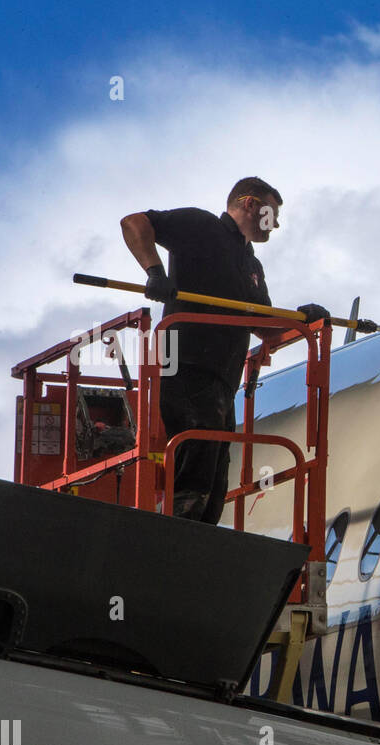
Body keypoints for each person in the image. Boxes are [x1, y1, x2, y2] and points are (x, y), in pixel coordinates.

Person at [119, 177, 329, 523]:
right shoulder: (202, 227)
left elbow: (263, 324)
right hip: (183, 362)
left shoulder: (251, 267)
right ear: (249, 203)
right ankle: (173, 536)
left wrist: (301, 319)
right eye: (271, 213)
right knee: (197, 458)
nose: (274, 224)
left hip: (221, 380)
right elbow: (135, 222)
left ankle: (199, 542)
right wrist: (155, 272)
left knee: (216, 476)